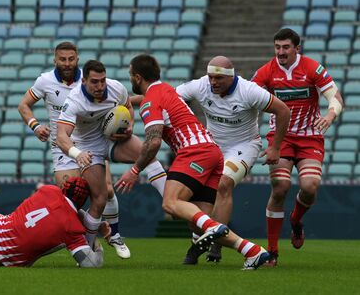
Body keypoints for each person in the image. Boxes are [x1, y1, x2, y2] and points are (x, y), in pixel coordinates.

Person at [117, 54, 270, 270]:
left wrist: (134, 170)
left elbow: (153, 142)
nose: (130, 79)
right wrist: (120, 104)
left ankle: (213, 230)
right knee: (197, 223)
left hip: (194, 152)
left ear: (138, 77)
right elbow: (146, 103)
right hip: (213, 153)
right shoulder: (166, 90)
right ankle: (252, 251)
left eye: (131, 75)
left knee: (170, 203)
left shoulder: (151, 101)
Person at [18, 42, 132, 258]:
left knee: (106, 190)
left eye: (71, 58)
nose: (67, 63)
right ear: (55, 60)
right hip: (63, 146)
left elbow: (114, 100)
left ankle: (114, 234)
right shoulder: (45, 81)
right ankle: (95, 233)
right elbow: (23, 105)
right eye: (63, 59)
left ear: (77, 58)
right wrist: (35, 125)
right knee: (70, 198)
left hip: (92, 142)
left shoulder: (89, 80)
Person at [174, 56, 290, 264]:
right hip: (212, 146)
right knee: (194, 193)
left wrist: (275, 147)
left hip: (243, 146)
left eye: (218, 78)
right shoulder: (201, 86)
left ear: (231, 76)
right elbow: (171, 98)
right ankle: (201, 236)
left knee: (224, 184)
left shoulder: (248, 90)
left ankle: (216, 243)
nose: (213, 83)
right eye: (210, 77)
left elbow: (283, 110)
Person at [251, 28, 344, 266]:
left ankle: (295, 221)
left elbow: (336, 97)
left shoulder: (312, 68)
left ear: (296, 48)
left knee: (310, 187)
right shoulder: (266, 72)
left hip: (309, 137)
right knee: (280, 187)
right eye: (277, 47)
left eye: (286, 47)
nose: (281, 52)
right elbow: (248, 97)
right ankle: (272, 251)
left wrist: (330, 115)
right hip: (281, 137)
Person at [56, 60, 168, 255]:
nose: (100, 86)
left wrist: (130, 126)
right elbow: (61, 136)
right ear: (84, 81)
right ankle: (88, 249)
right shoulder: (74, 101)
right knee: (99, 199)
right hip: (88, 148)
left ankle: (171, 199)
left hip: (113, 139)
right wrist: (77, 154)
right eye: (95, 82)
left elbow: (128, 108)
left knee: (147, 153)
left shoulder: (116, 88)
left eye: (103, 81)